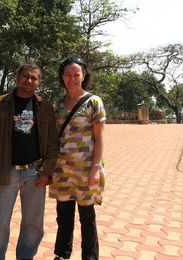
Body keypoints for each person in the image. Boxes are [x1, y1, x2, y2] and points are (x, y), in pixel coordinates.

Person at [0, 63, 59, 260]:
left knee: (33, 224)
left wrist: (47, 172)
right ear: (18, 77)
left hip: (34, 173)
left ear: (39, 82)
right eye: (26, 76)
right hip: (7, 172)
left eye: (34, 78)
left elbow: (52, 142)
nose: (29, 81)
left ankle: (26, 257)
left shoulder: (45, 107)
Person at [49, 57, 106, 260]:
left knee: (87, 216)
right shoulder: (58, 104)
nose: (72, 79)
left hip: (86, 169)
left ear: (83, 75)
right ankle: (62, 255)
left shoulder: (94, 102)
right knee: (63, 214)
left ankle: (90, 257)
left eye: (76, 74)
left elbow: (99, 138)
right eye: (67, 74)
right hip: (62, 169)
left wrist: (95, 168)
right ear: (62, 77)